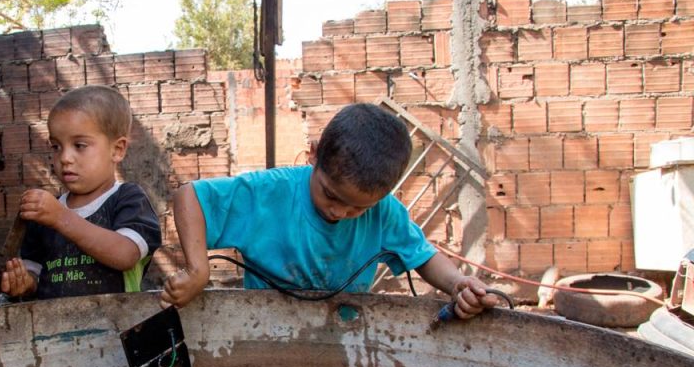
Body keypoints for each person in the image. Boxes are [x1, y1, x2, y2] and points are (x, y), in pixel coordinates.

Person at [159, 102, 497, 318]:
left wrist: (456, 283)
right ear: (314, 156)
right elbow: (190, 197)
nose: (340, 212)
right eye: (331, 196)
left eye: (357, 208)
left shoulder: (384, 212)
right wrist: (196, 270)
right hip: (263, 335)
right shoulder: (270, 193)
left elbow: (421, 255)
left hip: (340, 339)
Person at [0, 85, 161, 302]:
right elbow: (35, 275)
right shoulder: (45, 215)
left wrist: (61, 218)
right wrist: (24, 283)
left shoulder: (128, 199)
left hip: (115, 327)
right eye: (56, 146)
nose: (65, 157)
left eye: (80, 145)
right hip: (54, 330)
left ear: (117, 150)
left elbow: (126, 255)